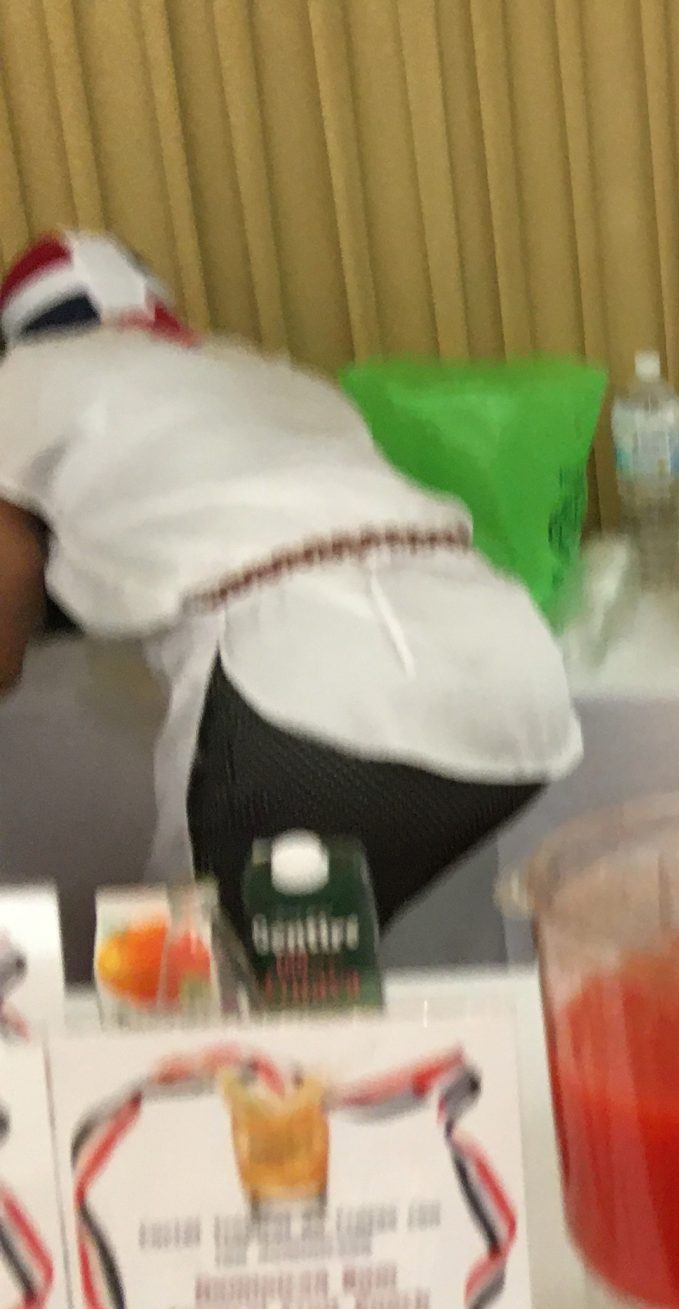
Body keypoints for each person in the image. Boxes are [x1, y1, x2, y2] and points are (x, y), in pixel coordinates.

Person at [0, 231, 582, 931]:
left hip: (310, 707)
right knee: (305, 958)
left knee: (193, 969)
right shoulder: (257, 369)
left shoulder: (22, 380)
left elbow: (12, 568)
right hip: (513, 680)